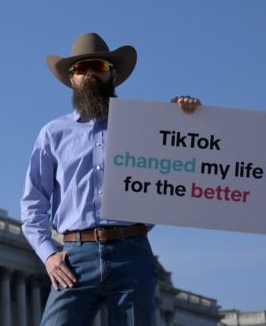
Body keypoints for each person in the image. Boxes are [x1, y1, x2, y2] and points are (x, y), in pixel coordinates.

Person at [20, 33, 200, 325]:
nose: (90, 74)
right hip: (75, 256)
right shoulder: (53, 133)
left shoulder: (144, 126)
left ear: (112, 74)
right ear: (71, 79)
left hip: (131, 251)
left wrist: (187, 119)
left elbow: (184, 157)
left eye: (98, 66)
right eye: (81, 69)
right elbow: (33, 201)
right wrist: (48, 255)